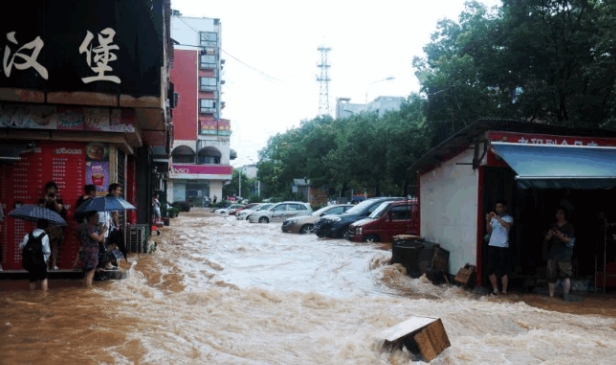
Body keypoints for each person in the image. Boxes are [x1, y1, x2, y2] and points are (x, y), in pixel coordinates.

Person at [545, 206, 576, 300]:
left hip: (564, 253)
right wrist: (550, 234)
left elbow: (569, 240)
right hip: (553, 253)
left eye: (561, 213)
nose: (559, 215)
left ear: (565, 214)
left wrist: (559, 236)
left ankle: (566, 295)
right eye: (557, 213)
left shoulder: (569, 226)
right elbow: (547, 238)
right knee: (551, 274)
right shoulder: (553, 225)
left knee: (566, 274)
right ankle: (551, 295)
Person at [486, 199, 514, 296]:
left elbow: (507, 225)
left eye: (500, 207)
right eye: (497, 207)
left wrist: (497, 218)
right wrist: (488, 220)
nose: (498, 209)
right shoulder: (493, 219)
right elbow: (489, 231)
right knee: (490, 269)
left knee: (502, 270)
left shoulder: (508, 218)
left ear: (504, 208)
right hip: (492, 245)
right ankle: (495, 290)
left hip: (502, 246)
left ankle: (504, 291)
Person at [38, 181, 67, 271]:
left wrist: (54, 201)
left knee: (55, 245)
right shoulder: (42, 199)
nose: (51, 190)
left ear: (55, 190)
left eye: (53, 189)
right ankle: (45, 264)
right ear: (46, 190)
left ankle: (53, 265)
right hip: (44, 224)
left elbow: (59, 210)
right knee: (44, 245)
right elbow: (40, 210)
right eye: (49, 189)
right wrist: (46, 201)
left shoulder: (58, 199)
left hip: (56, 225)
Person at [19, 219, 51, 291]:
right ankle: (44, 295)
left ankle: (32, 295)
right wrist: (45, 261)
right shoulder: (45, 236)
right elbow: (47, 251)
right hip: (40, 261)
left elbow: (21, 246)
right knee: (44, 278)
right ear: (46, 227)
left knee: (32, 280)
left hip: (30, 261)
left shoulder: (28, 235)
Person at [80, 211, 106, 288]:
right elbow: (98, 239)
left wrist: (101, 229)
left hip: (88, 252)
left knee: (87, 273)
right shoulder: (89, 228)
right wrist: (104, 231)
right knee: (90, 273)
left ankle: (85, 288)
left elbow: (103, 240)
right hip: (91, 253)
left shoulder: (90, 227)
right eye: (96, 217)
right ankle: (88, 290)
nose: (97, 218)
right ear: (91, 217)